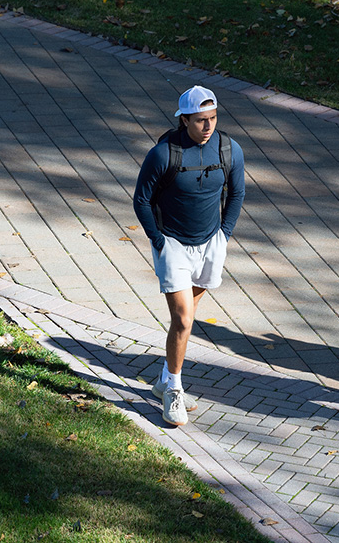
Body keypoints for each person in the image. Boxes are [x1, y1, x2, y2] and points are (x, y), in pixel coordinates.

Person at [133, 86, 245, 426]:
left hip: (211, 245)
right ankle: (174, 391)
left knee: (186, 319)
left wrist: (223, 236)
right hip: (173, 246)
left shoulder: (229, 149)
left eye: (212, 118)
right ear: (184, 120)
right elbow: (141, 199)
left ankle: (164, 378)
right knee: (183, 320)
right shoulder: (163, 154)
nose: (207, 126)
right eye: (200, 120)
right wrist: (157, 240)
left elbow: (237, 193)